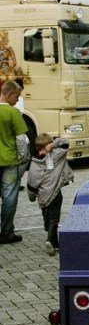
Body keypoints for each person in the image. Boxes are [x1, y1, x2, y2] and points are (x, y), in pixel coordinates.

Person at [27, 134, 73, 256]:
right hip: (55, 193)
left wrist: (31, 196)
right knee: (54, 219)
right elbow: (66, 142)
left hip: (42, 196)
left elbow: (31, 183)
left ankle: (55, 244)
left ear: (37, 147)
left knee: (48, 218)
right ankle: (50, 240)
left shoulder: (34, 163)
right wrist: (53, 144)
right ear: (49, 144)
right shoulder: (57, 154)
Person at [0, 80, 28, 243]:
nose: (17, 100)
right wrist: (22, 158)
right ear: (10, 94)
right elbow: (21, 140)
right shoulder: (13, 112)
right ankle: (6, 232)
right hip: (10, 160)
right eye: (16, 97)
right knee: (9, 197)